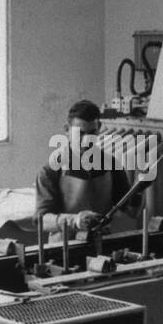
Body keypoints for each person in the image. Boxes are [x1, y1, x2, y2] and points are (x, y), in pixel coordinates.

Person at [35, 99, 144, 238]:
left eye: (92, 133)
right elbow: (41, 220)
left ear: (99, 128)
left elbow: (130, 212)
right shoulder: (51, 170)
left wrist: (138, 191)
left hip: (102, 246)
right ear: (67, 130)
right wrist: (74, 221)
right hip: (65, 248)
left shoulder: (110, 164)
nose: (87, 140)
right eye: (80, 133)